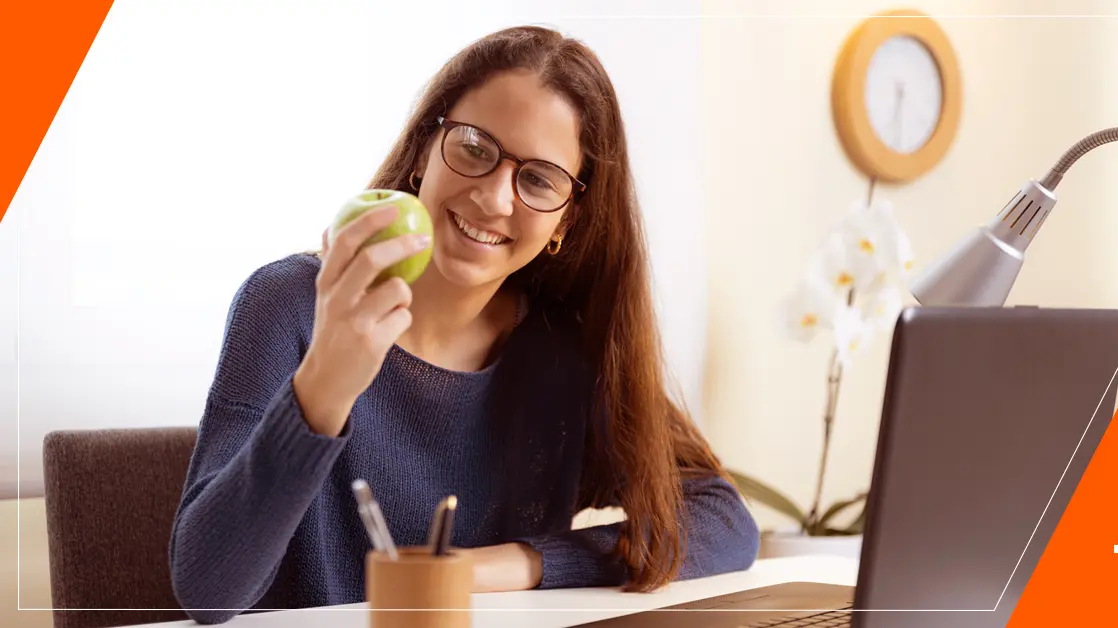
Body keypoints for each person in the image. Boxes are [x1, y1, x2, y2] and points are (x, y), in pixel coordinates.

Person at [168, 25, 759, 625]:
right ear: (426, 149)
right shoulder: (291, 304)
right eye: (476, 148)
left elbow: (725, 521)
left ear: (565, 223)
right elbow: (207, 589)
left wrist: (499, 567)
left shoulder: (566, 355)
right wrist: (322, 387)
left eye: (538, 180)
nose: (496, 197)